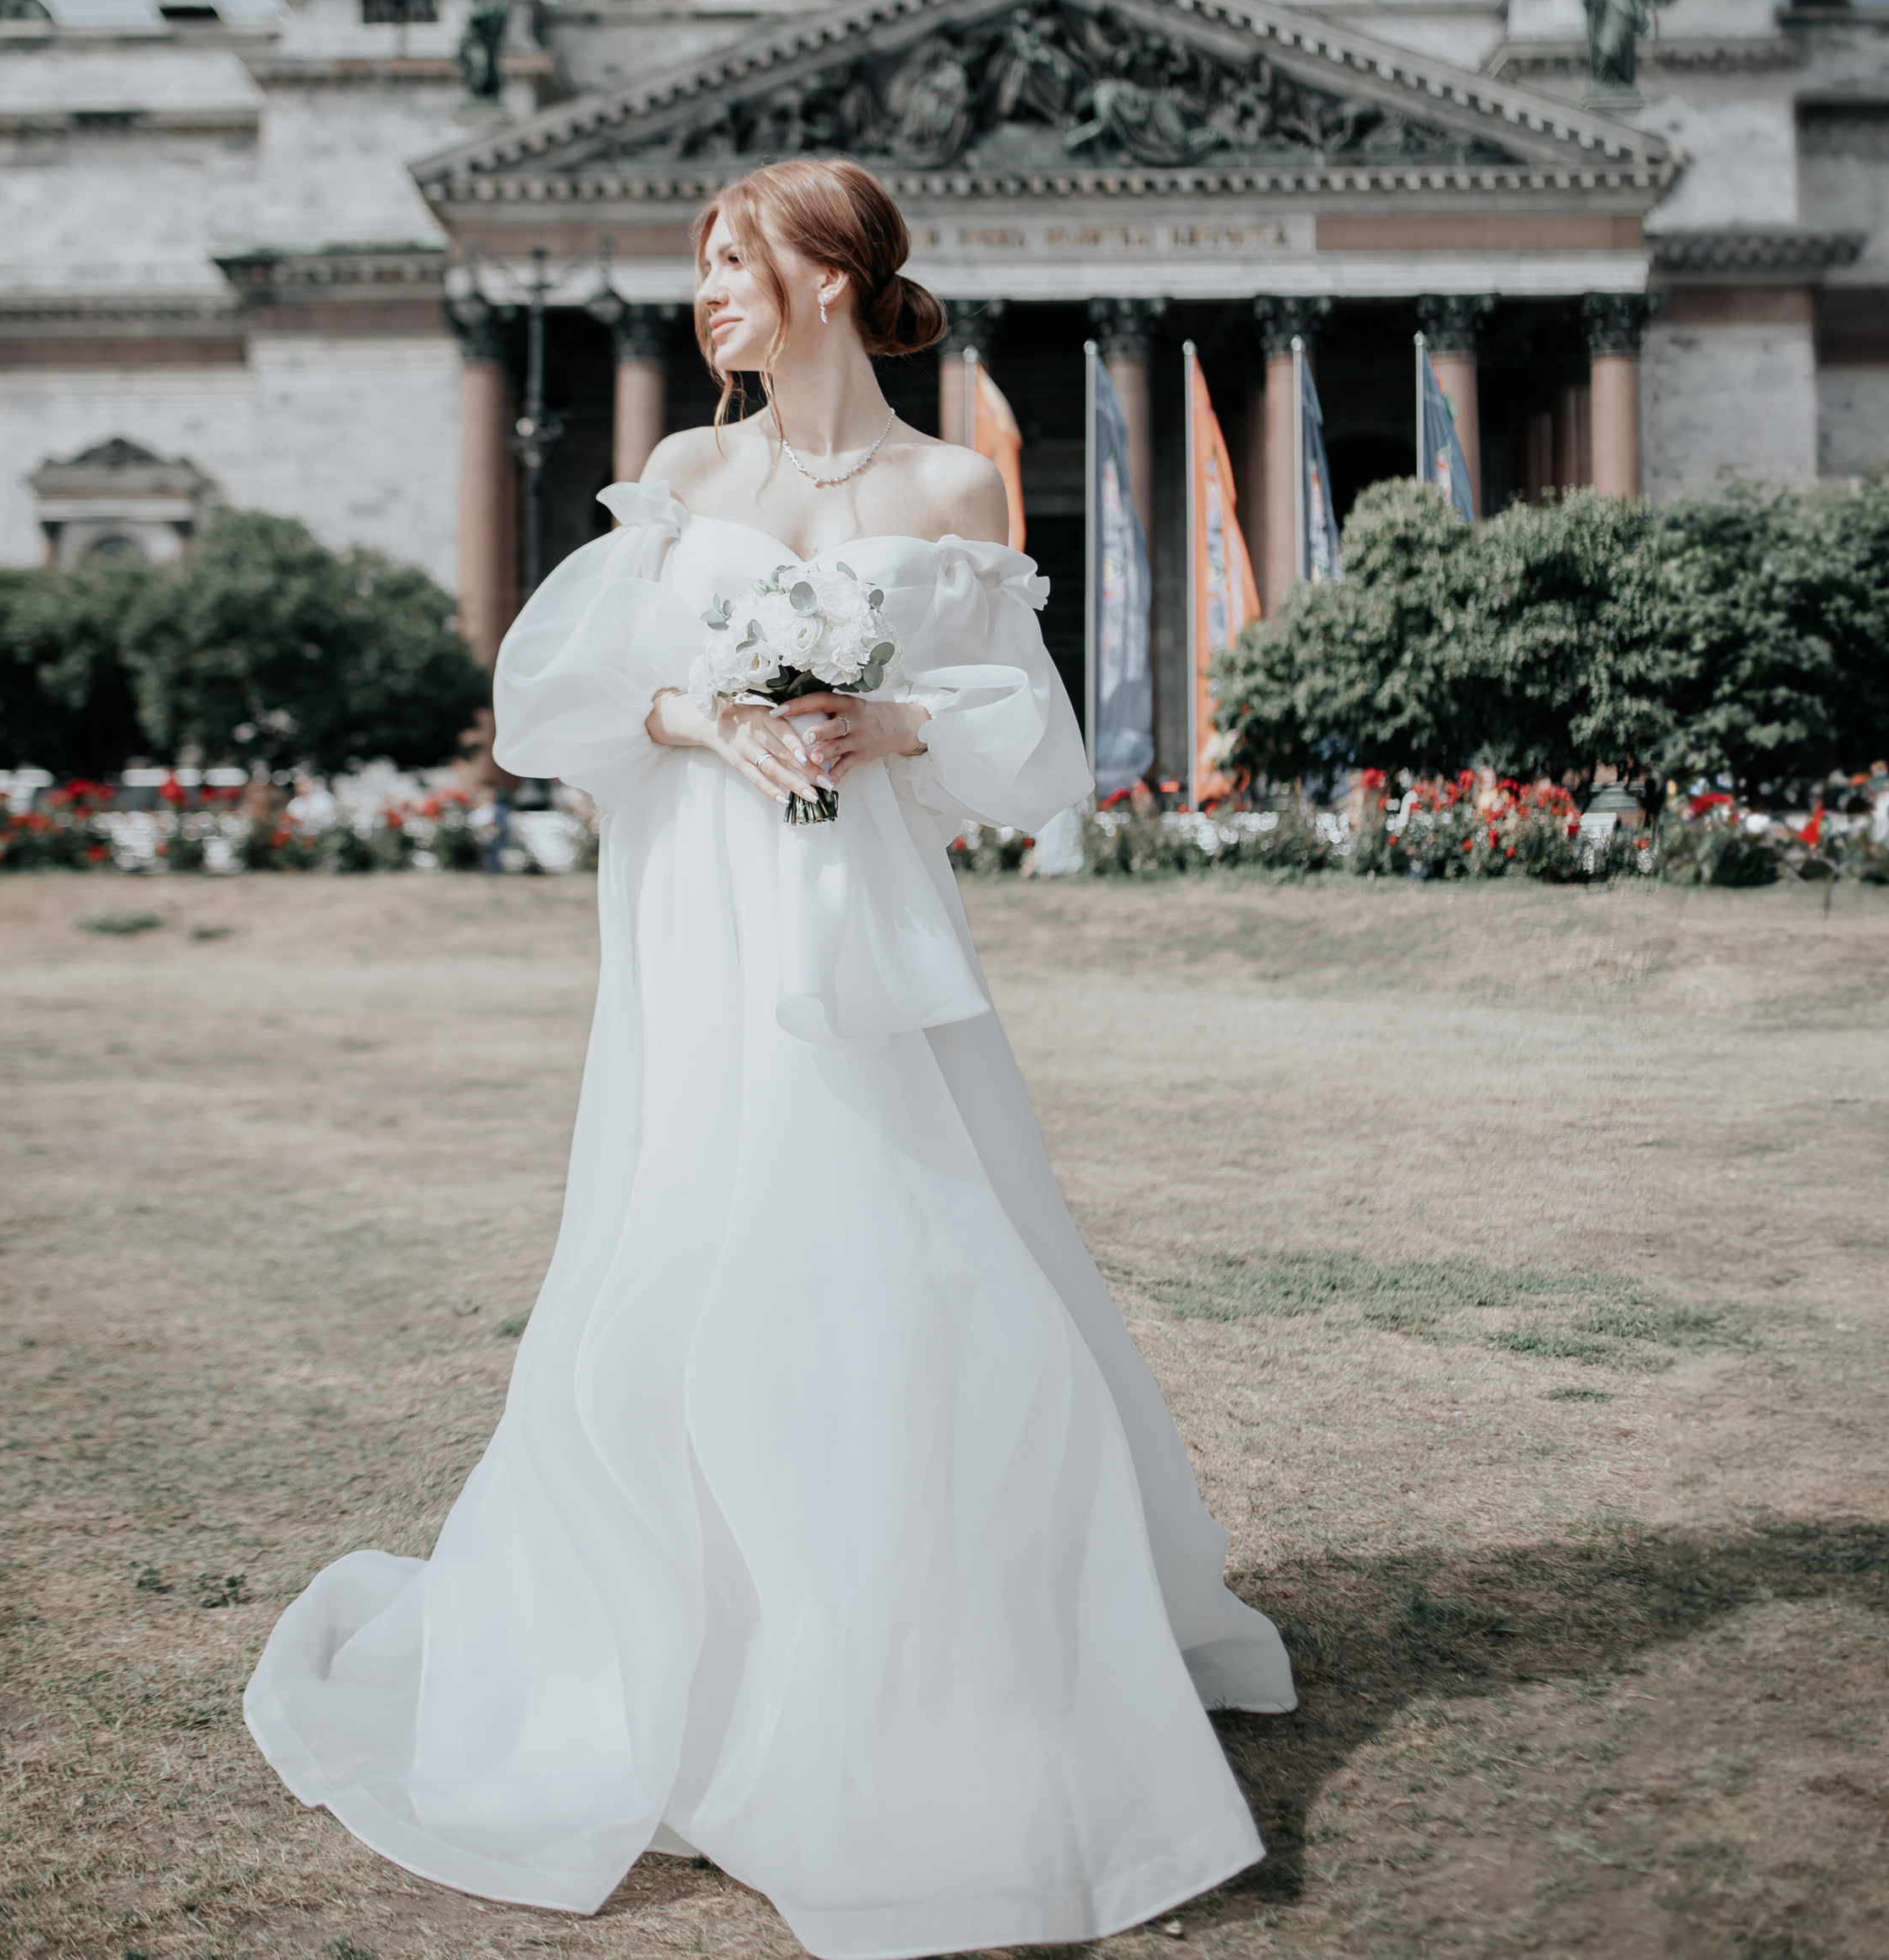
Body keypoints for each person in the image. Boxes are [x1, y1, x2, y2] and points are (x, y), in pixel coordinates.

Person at [244, 158, 1293, 1955]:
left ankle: (926, 1662)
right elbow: (557, 701)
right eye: (698, 266)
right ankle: (696, 1660)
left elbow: (1029, 752)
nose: (704, 295)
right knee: (701, 1258)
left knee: (922, 1266)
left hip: (872, 938)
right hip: (702, 929)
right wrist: (706, 713)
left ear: (823, 270)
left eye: (731, 262)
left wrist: (885, 718)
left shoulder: (951, 483)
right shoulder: (681, 475)